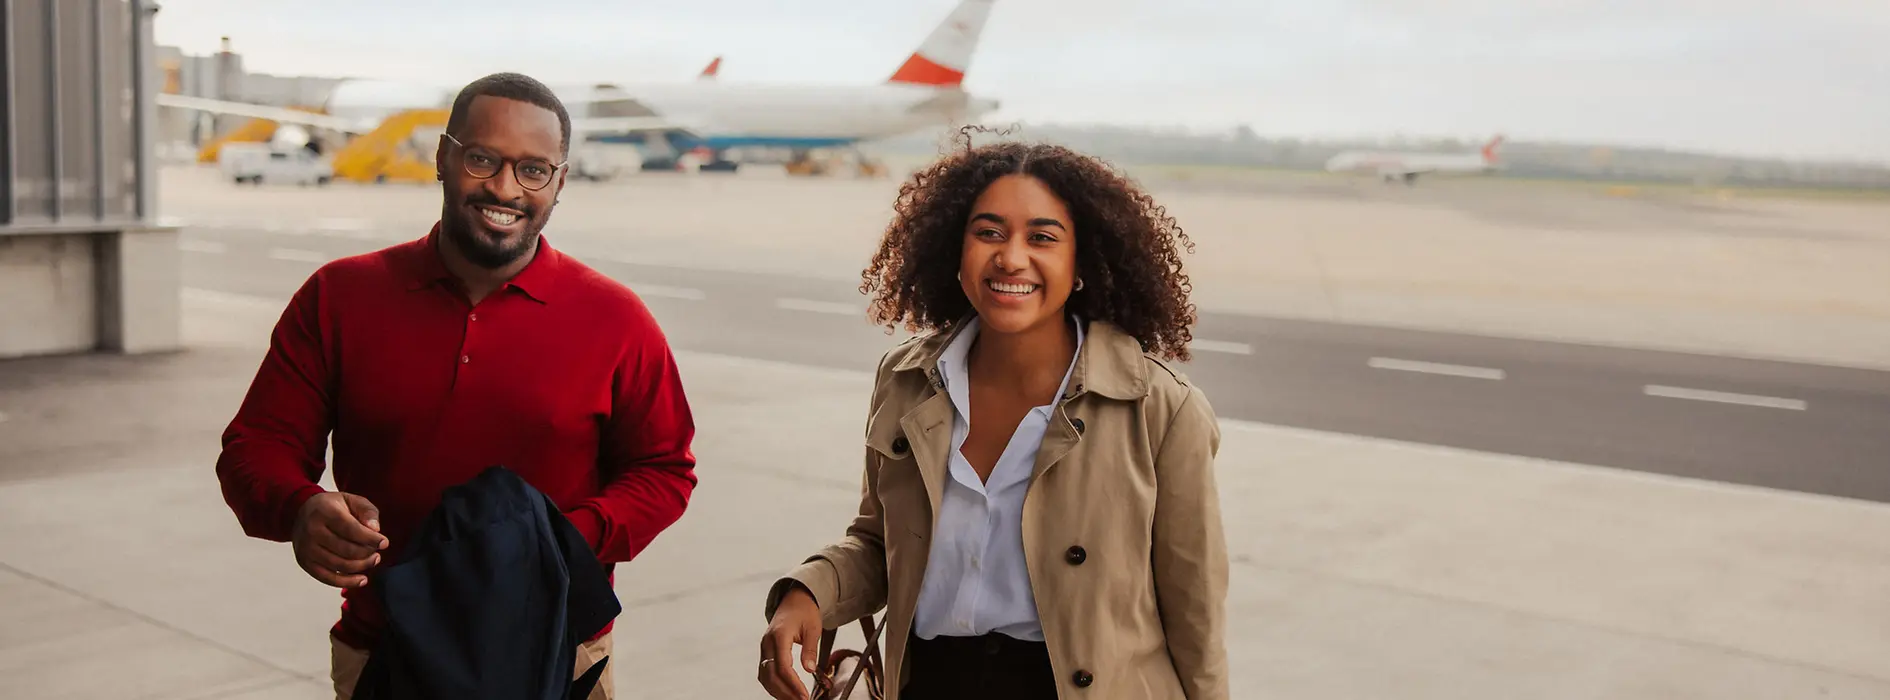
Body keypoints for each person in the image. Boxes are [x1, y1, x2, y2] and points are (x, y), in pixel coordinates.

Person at [212, 72, 698, 700]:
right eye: (481, 159)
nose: (504, 188)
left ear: (559, 183)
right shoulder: (338, 297)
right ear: (443, 158)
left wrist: (559, 545)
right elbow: (256, 445)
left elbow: (663, 469)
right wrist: (298, 507)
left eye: (533, 170)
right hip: (386, 647)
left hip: (559, 652)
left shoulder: (616, 319)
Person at [757, 132, 1230, 700]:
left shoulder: (1160, 409)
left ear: (1081, 261)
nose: (1010, 256)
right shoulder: (905, 380)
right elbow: (883, 543)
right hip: (932, 683)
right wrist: (808, 592)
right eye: (989, 233)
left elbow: (1194, 611)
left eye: (1042, 237)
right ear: (954, 250)